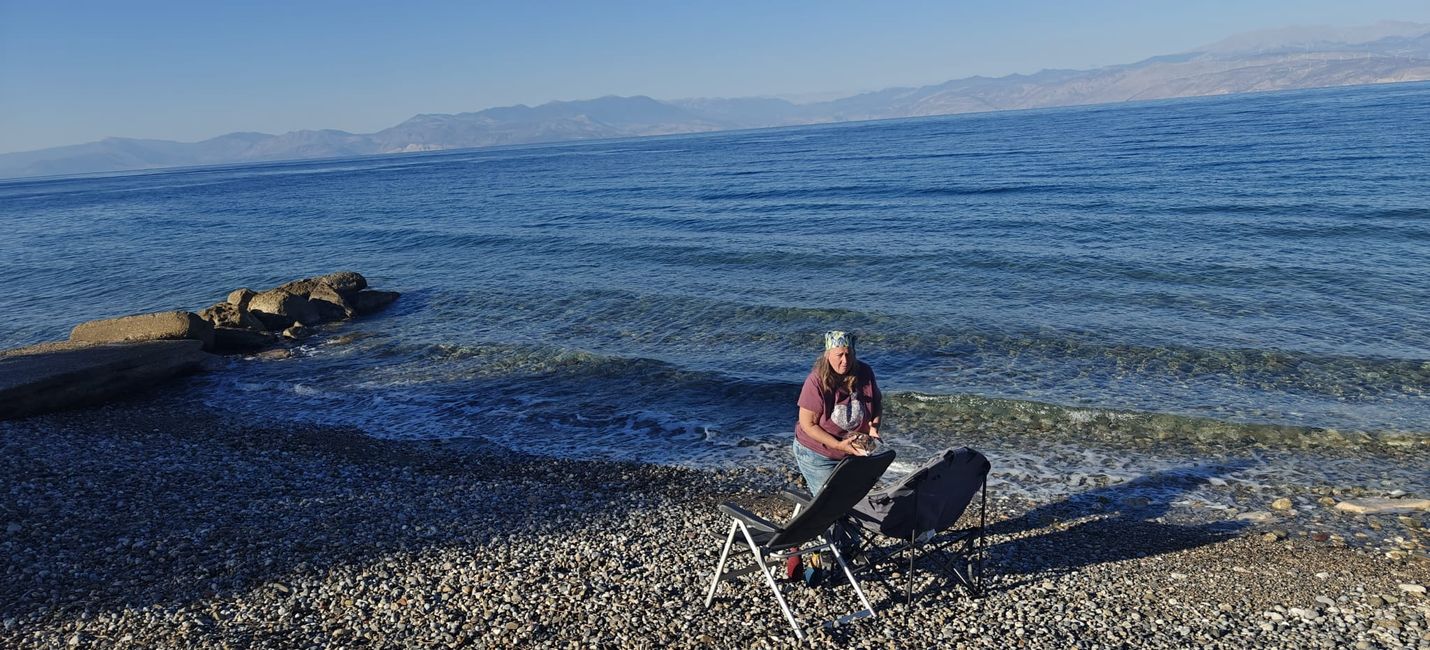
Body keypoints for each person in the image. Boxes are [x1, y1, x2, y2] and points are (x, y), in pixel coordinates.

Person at [792, 330, 883, 496]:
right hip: (818, 453)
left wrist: (874, 427)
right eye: (839, 355)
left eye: (849, 355)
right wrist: (837, 445)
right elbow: (807, 424)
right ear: (828, 355)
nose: (845, 361)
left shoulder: (865, 372)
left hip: (854, 449)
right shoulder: (816, 381)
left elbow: (876, 402)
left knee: (854, 495)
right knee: (831, 500)